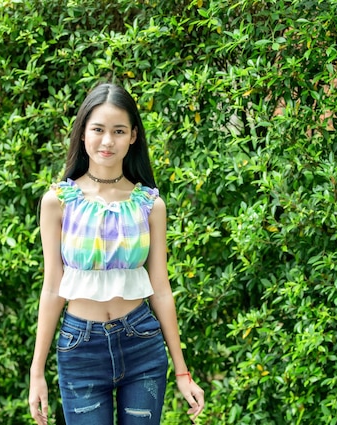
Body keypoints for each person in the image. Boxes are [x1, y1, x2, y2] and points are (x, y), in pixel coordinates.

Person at [28, 82, 205, 424]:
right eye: (98, 129)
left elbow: (161, 289)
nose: (107, 141)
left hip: (142, 343)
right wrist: (37, 372)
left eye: (118, 131)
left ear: (133, 136)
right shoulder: (58, 202)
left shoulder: (150, 205)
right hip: (80, 349)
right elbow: (51, 288)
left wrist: (182, 372)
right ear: (82, 134)